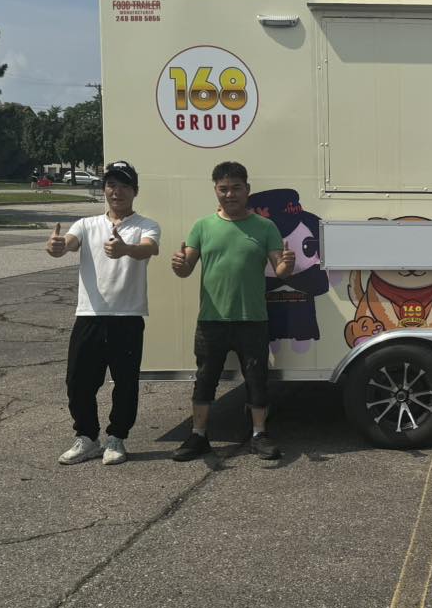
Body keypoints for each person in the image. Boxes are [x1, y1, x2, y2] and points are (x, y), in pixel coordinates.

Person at [171, 161, 294, 460]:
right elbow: (186, 269)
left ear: (247, 189)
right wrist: (179, 264)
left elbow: (280, 270)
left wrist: (287, 265)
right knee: (205, 380)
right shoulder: (203, 226)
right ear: (215, 190)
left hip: (252, 319)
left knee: (256, 380)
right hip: (211, 320)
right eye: (223, 189)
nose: (230, 194)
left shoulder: (265, 227)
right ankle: (198, 435)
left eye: (236, 188)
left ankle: (259, 435)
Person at [47, 160, 161, 466]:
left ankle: (116, 438)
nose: (117, 191)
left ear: (135, 191)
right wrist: (57, 246)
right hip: (90, 316)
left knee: (125, 383)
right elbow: (68, 244)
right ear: (104, 189)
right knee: (78, 381)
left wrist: (126, 249)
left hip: (127, 317)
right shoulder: (86, 225)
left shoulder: (146, 225)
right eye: (111, 185)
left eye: (124, 185)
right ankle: (87, 438)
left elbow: (149, 248)